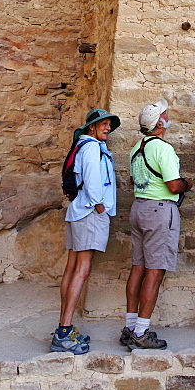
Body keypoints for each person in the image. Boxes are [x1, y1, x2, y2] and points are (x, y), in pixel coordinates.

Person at [121, 99, 193, 351]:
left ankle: (130, 326)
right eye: (164, 114)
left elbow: (134, 180)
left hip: (139, 207)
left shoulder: (135, 148)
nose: (167, 116)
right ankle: (141, 331)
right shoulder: (163, 149)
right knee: (155, 269)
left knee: (138, 267)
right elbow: (173, 185)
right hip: (159, 210)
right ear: (159, 124)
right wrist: (187, 184)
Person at [52, 107, 120, 355]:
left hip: (79, 211)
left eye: (109, 125)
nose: (108, 128)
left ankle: (65, 327)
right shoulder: (92, 147)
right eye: (103, 124)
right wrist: (100, 207)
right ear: (92, 126)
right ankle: (63, 331)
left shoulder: (83, 145)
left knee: (72, 268)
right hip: (90, 213)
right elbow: (92, 183)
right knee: (81, 269)